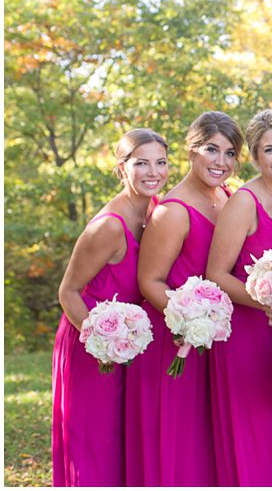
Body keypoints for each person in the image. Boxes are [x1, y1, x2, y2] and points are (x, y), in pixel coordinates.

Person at [128, 111, 244, 486]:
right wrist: (191, 320)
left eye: (230, 153)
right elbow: (149, 281)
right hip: (174, 343)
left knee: (206, 451)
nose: (221, 161)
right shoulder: (172, 212)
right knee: (177, 448)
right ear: (192, 150)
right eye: (212, 149)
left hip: (214, 345)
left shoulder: (228, 197)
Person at [53, 128, 167, 486]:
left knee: (124, 445)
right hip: (92, 344)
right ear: (122, 169)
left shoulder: (157, 210)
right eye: (141, 163)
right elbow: (68, 291)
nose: (153, 172)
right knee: (95, 446)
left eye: (161, 162)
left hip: (131, 346)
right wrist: (102, 343)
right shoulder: (108, 228)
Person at [205, 109, 272, 486]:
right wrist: (266, 301)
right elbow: (216, 274)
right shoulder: (244, 203)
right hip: (248, 337)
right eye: (269, 150)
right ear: (256, 157)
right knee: (257, 442)